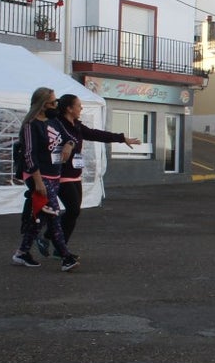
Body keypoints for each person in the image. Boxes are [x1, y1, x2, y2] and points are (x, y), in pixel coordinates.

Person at [33, 93, 139, 258]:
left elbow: (96, 134)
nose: (81, 108)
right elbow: (53, 142)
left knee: (74, 212)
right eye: (78, 105)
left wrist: (121, 138)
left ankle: (54, 245)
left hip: (75, 173)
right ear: (69, 108)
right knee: (73, 209)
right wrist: (68, 144)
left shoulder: (77, 125)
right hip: (60, 174)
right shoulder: (56, 123)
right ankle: (53, 243)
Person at [11, 87, 80, 272]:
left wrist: (69, 145)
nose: (56, 105)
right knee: (54, 214)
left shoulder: (54, 122)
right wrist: (38, 181)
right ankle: (65, 256)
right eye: (52, 102)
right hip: (39, 176)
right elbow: (29, 154)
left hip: (54, 174)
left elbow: (70, 138)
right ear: (42, 105)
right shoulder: (30, 125)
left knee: (40, 216)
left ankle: (22, 252)